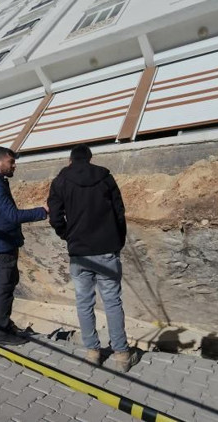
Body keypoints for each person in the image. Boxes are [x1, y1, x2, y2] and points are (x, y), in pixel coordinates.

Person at [47, 144, 139, 372]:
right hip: (107, 249)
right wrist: (118, 241)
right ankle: (121, 355)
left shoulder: (60, 181)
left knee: (84, 302)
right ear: (89, 158)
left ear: (71, 160)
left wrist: (67, 235)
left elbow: (55, 215)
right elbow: (119, 212)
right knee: (112, 302)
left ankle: (92, 352)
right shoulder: (105, 177)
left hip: (79, 253)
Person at [0, 146, 48, 346]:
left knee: (8, 283)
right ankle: (1, 333)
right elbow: (13, 215)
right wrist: (42, 211)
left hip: (2, 241)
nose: (14, 166)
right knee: (4, 287)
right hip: (1, 244)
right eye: (11, 162)